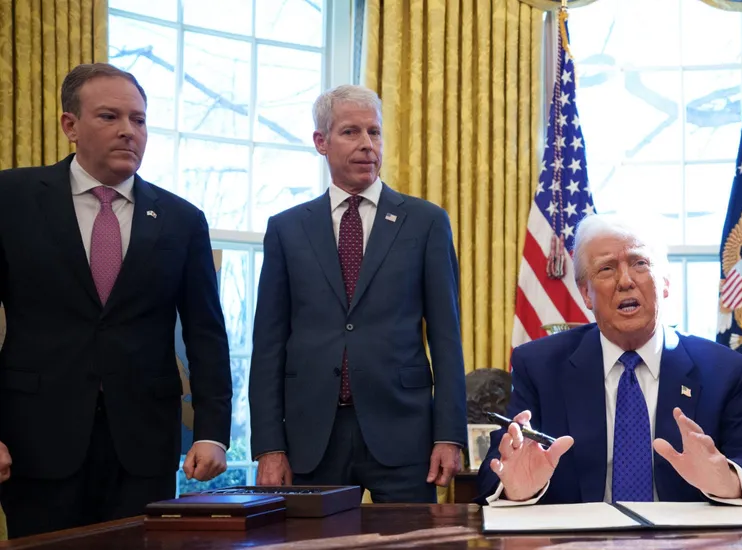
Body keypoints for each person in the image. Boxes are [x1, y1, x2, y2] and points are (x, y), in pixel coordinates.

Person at [0, 63, 231, 537]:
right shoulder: (11, 198)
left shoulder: (182, 220)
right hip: (35, 440)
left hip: (143, 447)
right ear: (70, 125)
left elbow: (206, 333)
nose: (129, 131)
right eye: (110, 116)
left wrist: (212, 433)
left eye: (139, 119)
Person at [248, 85, 466, 502]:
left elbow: (446, 338)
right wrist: (269, 445)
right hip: (312, 437)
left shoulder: (426, 222)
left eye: (374, 132)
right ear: (321, 141)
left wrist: (449, 434)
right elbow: (269, 345)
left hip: (404, 433)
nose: (367, 144)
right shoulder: (286, 229)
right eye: (351, 132)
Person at [476, 214, 742, 507]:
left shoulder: (722, 370)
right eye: (606, 269)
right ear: (586, 294)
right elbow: (496, 470)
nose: (625, 281)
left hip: (683, 535)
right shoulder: (540, 366)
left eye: (640, 263)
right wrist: (517, 489)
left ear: (665, 282)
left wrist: (726, 480)